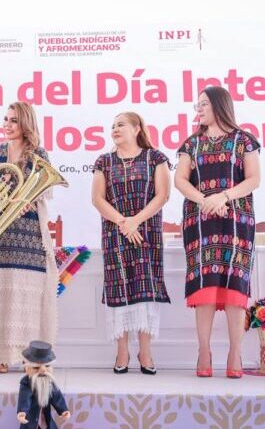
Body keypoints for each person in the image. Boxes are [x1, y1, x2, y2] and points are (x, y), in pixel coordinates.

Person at [174, 86, 261, 379]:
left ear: (220, 105)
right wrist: (206, 201)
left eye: (204, 104)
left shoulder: (244, 140)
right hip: (199, 221)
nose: (198, 109)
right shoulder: (191, 144)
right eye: (196, 105)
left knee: (235, 287)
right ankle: (204, 350)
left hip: (236, 220)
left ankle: (236, 352)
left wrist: (222, 197)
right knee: (205, 287)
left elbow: (253, 180)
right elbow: (180, 181)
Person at [0, 102, 58, 374]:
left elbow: (43, 190)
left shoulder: (38, 153)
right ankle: (0, 356)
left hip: (29, 234)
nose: (7, 124)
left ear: (25, 124)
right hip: (0, 234)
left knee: (27, 297)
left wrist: (27, 199)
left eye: (14, 120)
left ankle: (29, 356)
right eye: (5, 119)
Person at [91, 112, 171, 375]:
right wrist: (124, 223)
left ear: (137, 128)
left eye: (121, 124)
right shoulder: (104, 161)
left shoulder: (155, 158)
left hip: (146, 232)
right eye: (112, 125)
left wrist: (136, 221)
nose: (115, 129)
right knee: (119, 287)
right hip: (115, 233)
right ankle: (122, 351)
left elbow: (163, 195)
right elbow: (98, 200)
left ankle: (145, 351)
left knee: (146, 287)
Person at [16, 340, 70, 429]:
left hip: (45, 418)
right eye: (36, 368)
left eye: (47, 366)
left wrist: (63, 410)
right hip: (32, 419)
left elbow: (56, 396)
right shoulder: (26, 383)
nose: (43, 370)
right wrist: (22, 412)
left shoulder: (49, 381)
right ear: (27, 368)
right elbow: (24, 398)